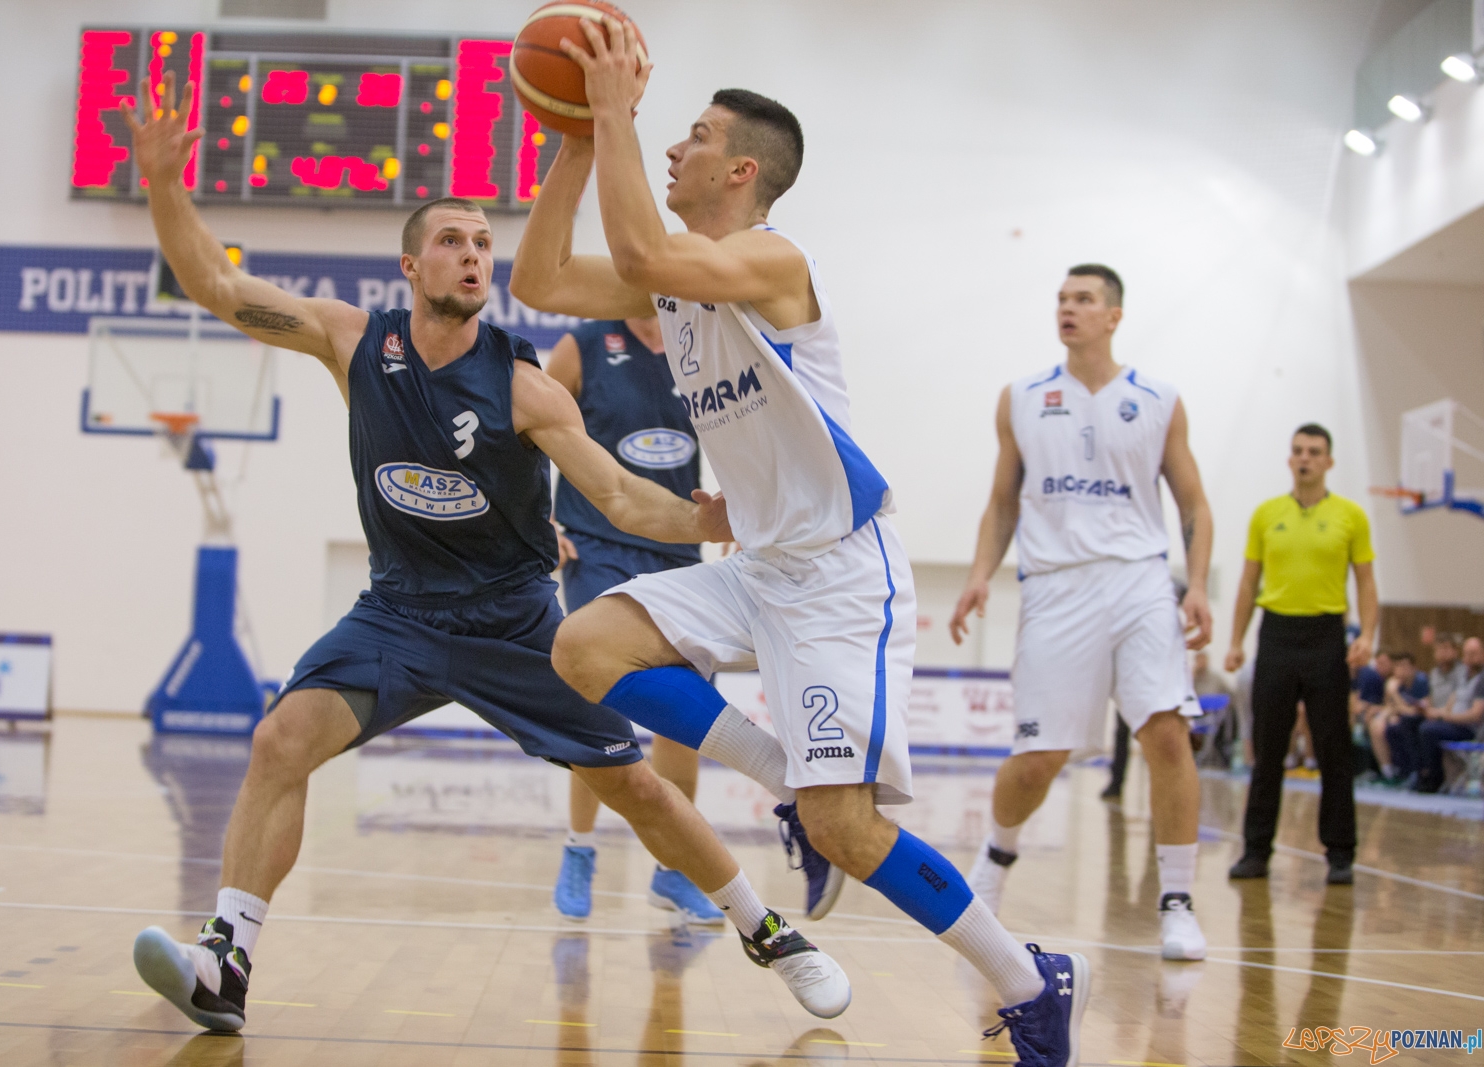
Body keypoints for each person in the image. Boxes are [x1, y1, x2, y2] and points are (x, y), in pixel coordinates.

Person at [118, 71, 850, 1031]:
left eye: (482, 244)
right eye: (453, 242)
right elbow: (217, 287)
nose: (473, 256)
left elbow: (617, 493)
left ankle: (769, 930)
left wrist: (707, 520)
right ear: (410, 266)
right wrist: (163, 185)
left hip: (514, 622)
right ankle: (226, 961)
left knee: (634, 786)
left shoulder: (523, 384)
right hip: (396, 613)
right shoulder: (351, 341)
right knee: (279, 740)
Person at [510, 18, 1090, 1065]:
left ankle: (1027, 979)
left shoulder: (774, 258)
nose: (672, 146)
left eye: (693, 135)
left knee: (846, 829)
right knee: (583, 646)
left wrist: (610, 107)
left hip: (837, 576)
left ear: (741, 170)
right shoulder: (672, 278)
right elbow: (541, 280)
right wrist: (578, 142)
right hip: (758, 564)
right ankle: (791, 782)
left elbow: (641, 250)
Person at [949, 263, 1215, 964]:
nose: (1068, 308)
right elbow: (1002, 502)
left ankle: (1178, 902)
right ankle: (995, 858)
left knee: (1167, 734)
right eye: (1062, 298)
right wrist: (978, 575)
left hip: (1140, 580)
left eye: (1084, 299)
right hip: (1056, 586)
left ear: (1113, 315)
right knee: (1038, 760)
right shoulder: (1021, 397)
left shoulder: (1159, 398)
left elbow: (1194, 504)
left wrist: (1196, 586)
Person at [545, 316, 721, 925]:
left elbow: (748, 434)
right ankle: (579, 848)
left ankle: (675, 873)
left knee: (686, 715)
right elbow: (524, 430)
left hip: (677, 548)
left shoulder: (705, 347)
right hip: (596, 542)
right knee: (599, 706)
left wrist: (750, 513)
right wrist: (538, 518)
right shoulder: (585, 345)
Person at [1225, 424, 1376, 886]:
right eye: (1298, 451)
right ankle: (1255, 851)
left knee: (1334, 750)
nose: (1305, 458)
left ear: (1329, 461)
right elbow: (1248, 582)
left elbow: (1366, 581)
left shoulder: (1351, 516)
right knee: (1268, 749)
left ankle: (1340, 855)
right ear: (1289, 460)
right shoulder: (1266, 514)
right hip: (1276, 635)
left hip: (1326, 636)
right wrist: (1235, 641)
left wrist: (1368, 634)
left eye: (1314, 451)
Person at [1413, 636, 1484, 792]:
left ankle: (1434, 779)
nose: (1470, 658)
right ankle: (1419, 775)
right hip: (1453, 723)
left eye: (1474, 653)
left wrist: (1444, 717)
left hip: (1471, 729)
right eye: (1467, 654)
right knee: (1416, 723)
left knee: (1428, 730)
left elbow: (1475, 715)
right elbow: (1450, 704)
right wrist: (1435, 713)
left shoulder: (1481, 679)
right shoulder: (1463, 677)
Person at [1375, 652, 1429, 784]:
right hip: (1406, 719)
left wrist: (1394, 693)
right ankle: (1396, 772)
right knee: (1390, 728)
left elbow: (1415, 711)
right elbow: (1391, 706)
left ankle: (1415, 772)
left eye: (1404, 666)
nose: (1401, 670)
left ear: (1413, 667)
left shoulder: (1420, 682)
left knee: (1404, 725)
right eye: (1398, 666)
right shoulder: (1399, 683)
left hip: (1420, 720)